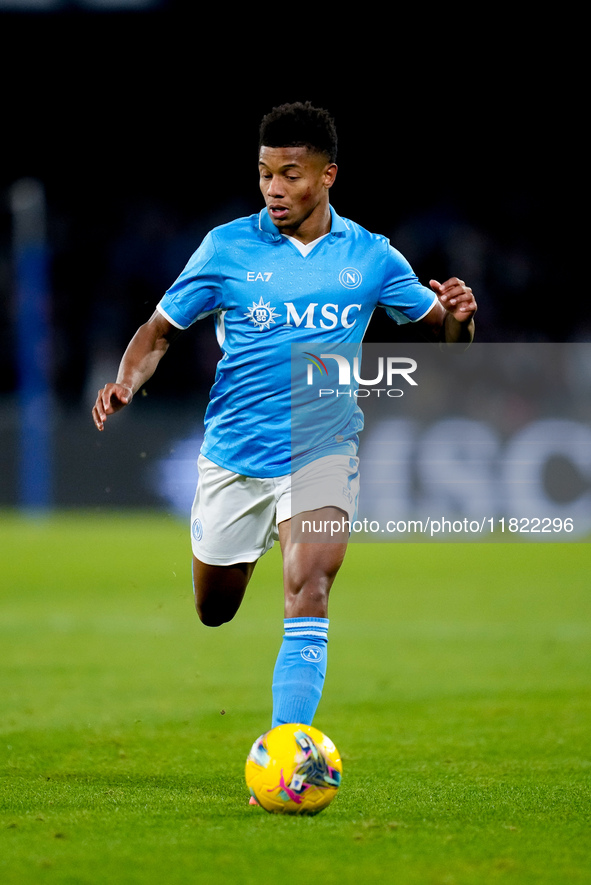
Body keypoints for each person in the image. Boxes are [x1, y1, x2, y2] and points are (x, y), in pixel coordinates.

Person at [92, 101, 476, 743]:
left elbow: (446, 336)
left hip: (323, 447)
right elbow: (160, 329)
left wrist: (460, 317)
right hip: (235, 454)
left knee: (311, 586)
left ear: (328, 176)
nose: (275, 189)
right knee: (214, 609)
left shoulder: (373, 257)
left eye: (291, 174)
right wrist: (127, 381)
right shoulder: (227, 247)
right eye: (266, 173)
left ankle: (288, 750)